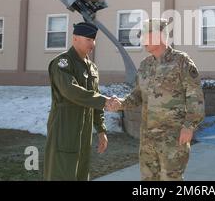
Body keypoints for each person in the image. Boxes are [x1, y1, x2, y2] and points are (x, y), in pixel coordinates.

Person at [118, 18, 205, 181]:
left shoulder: (181, 61)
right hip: (147, 139)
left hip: (172, 138)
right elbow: (138, 94)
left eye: (145, 35)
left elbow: (195, 96)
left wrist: (189, 126)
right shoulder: (145, 64)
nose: (142, 40)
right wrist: (120, 103)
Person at [44, 22, 121, 181]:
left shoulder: (92, 67)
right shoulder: (62, 63)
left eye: (94, 40)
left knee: (80, 174)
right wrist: (104, 101)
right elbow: (70, 90)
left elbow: (94, 99)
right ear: (75, 39)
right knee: (61, 172)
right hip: (65, 128)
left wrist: (101, 130)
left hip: (84, 132)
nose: (92, 44)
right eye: (88, 39)